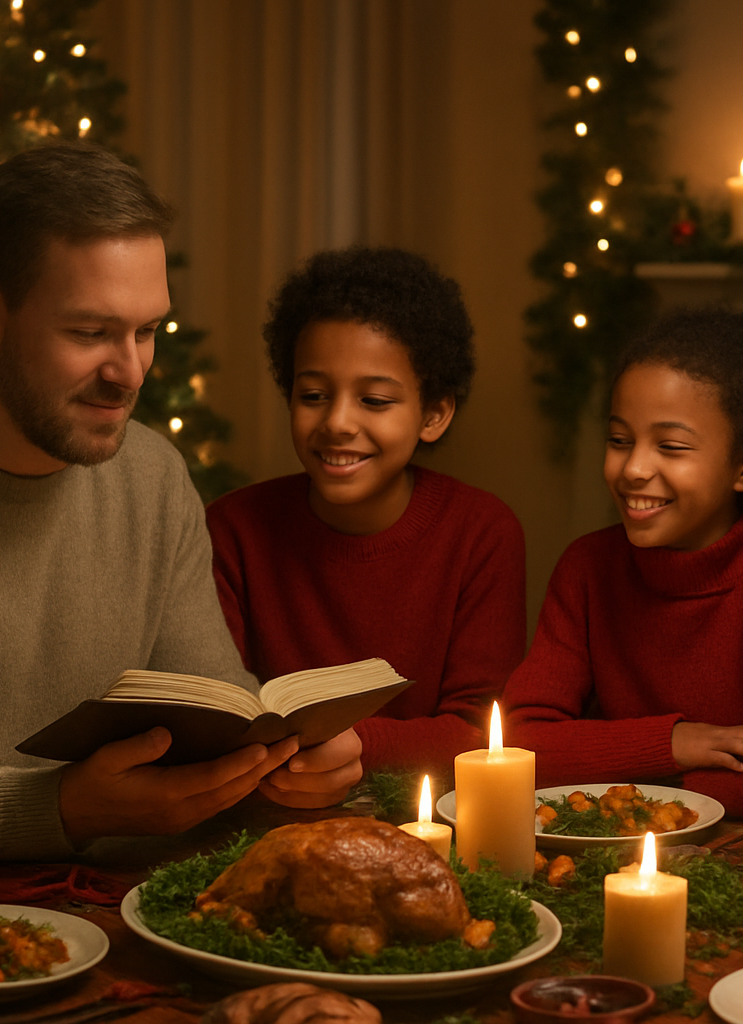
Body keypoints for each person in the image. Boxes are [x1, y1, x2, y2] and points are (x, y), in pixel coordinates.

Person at [0, 143, 361, 875]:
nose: (128, 373)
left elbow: (208, 710)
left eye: (147, 331)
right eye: (90, 333)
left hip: (120, 911)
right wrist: (58, 808)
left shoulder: (152, 474)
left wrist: (288, 761)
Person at [506, 307, 743, 818]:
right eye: (619, 440)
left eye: (670, 446)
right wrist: (672, 743)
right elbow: (517, 750)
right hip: (613, 852)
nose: (634, 468)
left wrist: (615, 777)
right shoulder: (586, 567)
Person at [205, 246, 525, 772]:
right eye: (313, 395)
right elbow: (217, 713)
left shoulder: (481, 532)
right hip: (266, 806)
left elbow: (480, 733)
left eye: (374, 401)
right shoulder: (232, 530)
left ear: (435, 414)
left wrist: (360, 746)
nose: (337, 422)